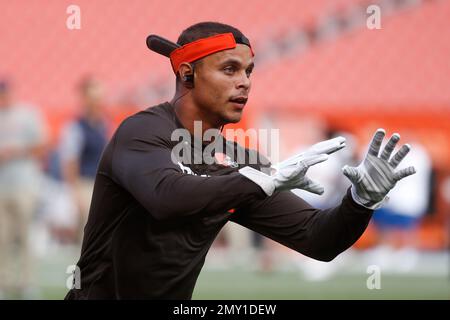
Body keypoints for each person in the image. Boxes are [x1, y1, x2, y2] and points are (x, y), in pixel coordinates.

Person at [65, 22, 416, 299]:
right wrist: (260, 180)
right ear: (188, 74)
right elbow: (167, 198)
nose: (245, 83)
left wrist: (360, 201)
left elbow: (319, 240)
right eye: (230, 69)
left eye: (249, 71)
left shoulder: (240, 161)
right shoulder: (142, 131)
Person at [0, 80, 47, 298]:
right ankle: (4, 281)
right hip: (2, 186)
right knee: (2, 237)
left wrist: (16, 152)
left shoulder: (27, 114)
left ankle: (27, 281)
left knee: (27, 235)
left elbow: (42, 146)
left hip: (24, 184)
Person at [59, 76, 109, 243]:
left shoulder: (103, 124)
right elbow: (70, 161)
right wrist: (74, 191)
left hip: (99, 182)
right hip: (84, 183)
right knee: (88, 230)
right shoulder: (75, 127)